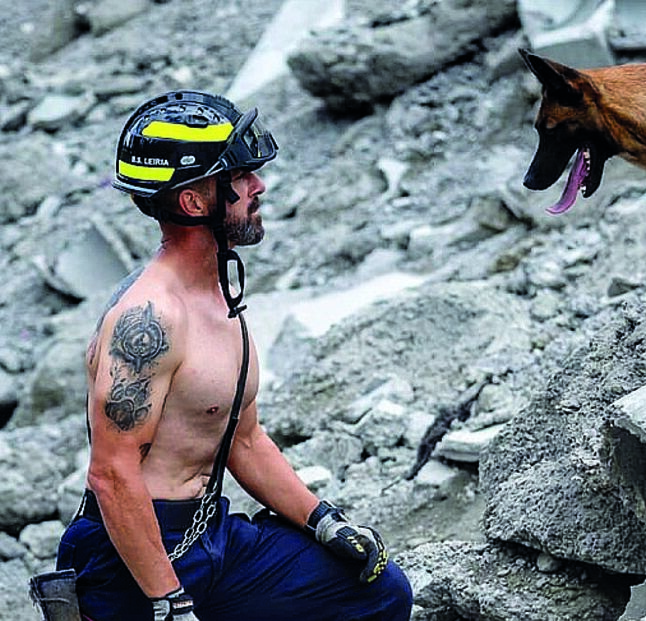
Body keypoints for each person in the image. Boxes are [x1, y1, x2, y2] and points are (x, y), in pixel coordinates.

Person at [54, 90, 413, 621]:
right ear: (195, 202)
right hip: (130, 553)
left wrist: (324, 522)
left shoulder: (219, 296)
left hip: (211, 532)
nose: (257, 186)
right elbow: (112, 474)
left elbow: (242, 437)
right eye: (240, 178)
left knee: (379, 593)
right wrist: (167, 601)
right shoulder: (148, 320)